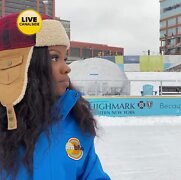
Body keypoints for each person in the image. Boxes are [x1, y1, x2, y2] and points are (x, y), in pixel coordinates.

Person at [0, 13, 111, 179]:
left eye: (64, 58)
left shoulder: (76, 123)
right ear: (20, 66)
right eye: (53, 57)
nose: (66, 68)